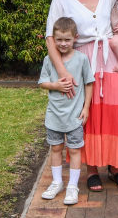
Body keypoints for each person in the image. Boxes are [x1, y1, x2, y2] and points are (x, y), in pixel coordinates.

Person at [46, 0, 118, 191]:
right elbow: (50, 38)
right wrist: (63, 71)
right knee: (90, 116)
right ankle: (92, 169)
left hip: (111, 59)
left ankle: (117, 167)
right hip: (81, 60)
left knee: (116, 113)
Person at [38, 17, 93, 205]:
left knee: (75, 150)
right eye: (59, 39)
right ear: (53, 39)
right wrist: (55, 85)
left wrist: (86, 108)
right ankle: (57, 182)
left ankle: (72, 186)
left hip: (75, 116)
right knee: (56, 148)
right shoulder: (49, 60)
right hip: (54, 116)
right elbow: (42, 82)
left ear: (75, 38)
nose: (63, 44)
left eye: (67, 40)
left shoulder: (81, 59)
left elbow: (89, 83)